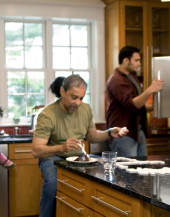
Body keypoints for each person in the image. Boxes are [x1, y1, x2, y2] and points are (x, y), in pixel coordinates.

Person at [31, 75, 128, 217]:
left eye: (81, 98)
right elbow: (36, 150)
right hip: (53, 158)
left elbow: (92, 136)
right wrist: (62, 148)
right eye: (74, 97)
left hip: (80, 157)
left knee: (112, 174)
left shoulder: (85, 109)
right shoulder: (47, 114)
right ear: (62, 92)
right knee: (52, 182)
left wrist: (109, 133)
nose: (78, 103)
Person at [106, 46, 164, 157]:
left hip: (137, 131)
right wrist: (151, 89)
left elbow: (140, 105)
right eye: (136, 60)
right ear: (125, 61)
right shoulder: (116, 80)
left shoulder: (132, 76)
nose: (139, 63)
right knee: (127, 172)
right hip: (123, 133)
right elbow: (133, 104)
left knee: (142, 169)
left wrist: (158, 106)